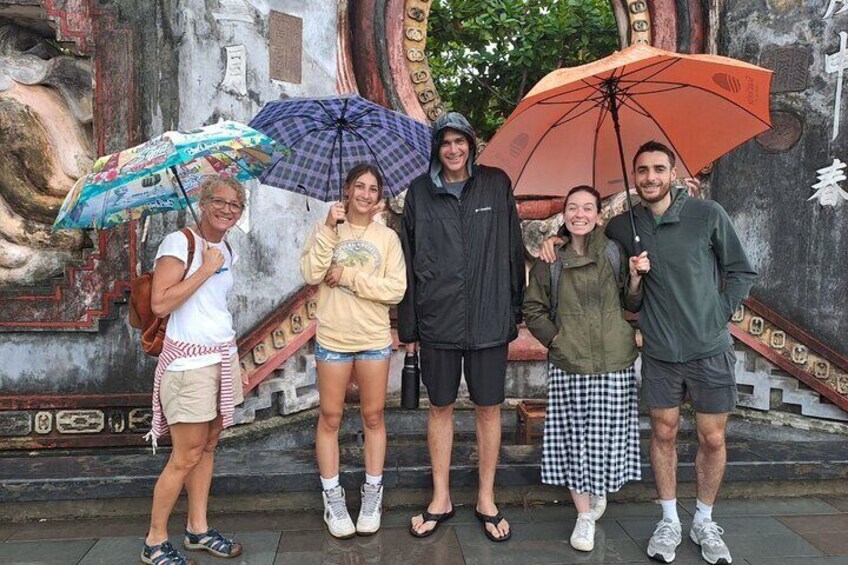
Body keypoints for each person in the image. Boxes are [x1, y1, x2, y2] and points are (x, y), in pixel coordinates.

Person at [540, 141, 756, 565]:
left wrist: (718, 313)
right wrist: (555, 238)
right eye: (642, 170)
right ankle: (669, 519)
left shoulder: (706, 214)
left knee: (713, 437)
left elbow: (740, 270)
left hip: (709, 346)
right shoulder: (626, 225)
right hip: (659, 348)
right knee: (663, 432)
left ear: (673, 173)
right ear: (634, 177)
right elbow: (585, 232)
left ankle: (705, 520)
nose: (650, 177)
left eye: (659, 169)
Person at [400, 112, 525, 543]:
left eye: (460, 141)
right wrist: (410, 328)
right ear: (436, 148)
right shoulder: (419, 192)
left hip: (490, 318)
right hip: (438, 320)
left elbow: (513, 250)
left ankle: (486, 498)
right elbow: (408, 262)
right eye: (445, 142)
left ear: (471, 144)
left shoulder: (495, 184)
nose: (453, 150)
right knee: (440, 407)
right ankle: (441, 497)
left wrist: (513, 311)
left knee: (489, 408)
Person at [523, 185, 649, 553]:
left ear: (598, 214)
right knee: (573, 438)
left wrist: (636, 277)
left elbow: (631, 302)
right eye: (573, 208)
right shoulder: (551, 258)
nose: (580, 214)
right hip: (571, 359)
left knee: (606, 436)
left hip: (614, 358)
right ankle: (583, 515)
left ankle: (598, 488)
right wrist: (556, 339)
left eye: (587, 208)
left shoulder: (614, 251)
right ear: (564, 214)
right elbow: (532, 308)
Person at [142, 177, 248, 565]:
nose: (226, 210)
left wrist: (234, 360)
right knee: (185, 456)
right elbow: (160, 304)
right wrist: (204, 269)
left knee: (208, 447)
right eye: (219, 201)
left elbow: (214, 309)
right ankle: (154, 541)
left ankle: (198, 529)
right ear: (202, 203)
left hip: (221, 358)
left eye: (235, 205)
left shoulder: (226, 249)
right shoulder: (179, 243)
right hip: (188, 366)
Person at [300, 163, 407, 539]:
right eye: (359, 186)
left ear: (379, 196)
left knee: (373, 416)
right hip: (333, 339)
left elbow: (395, 290)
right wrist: (329, 229)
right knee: (330, 417)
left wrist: (349, 276)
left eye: (372, 189)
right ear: (347, 189)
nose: (365, 194)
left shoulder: (387, 238)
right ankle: (332, 496)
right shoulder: (325, 228)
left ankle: (373, 492)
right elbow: (311, 274)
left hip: (373, 339)